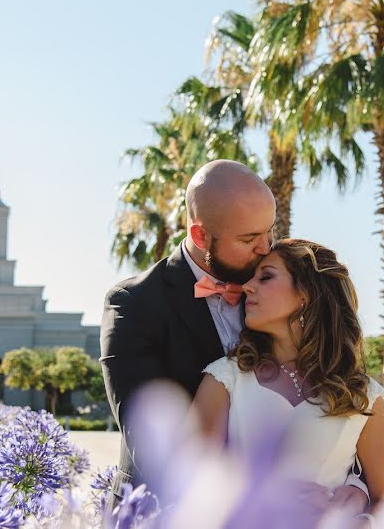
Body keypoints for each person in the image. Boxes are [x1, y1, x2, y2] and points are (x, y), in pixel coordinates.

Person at [99, 160, 277, 501]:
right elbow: (152, 440)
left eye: (270, 230)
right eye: (249, 238)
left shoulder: (281, 289)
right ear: (199, 234)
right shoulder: (133, 305)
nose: (266, 248)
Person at [191, 239, 384, 528]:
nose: (247, 287)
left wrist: (358, 522)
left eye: (265, 276)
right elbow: (189, 480)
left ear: (306, 295)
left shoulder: (362, 395)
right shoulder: (226, 378)